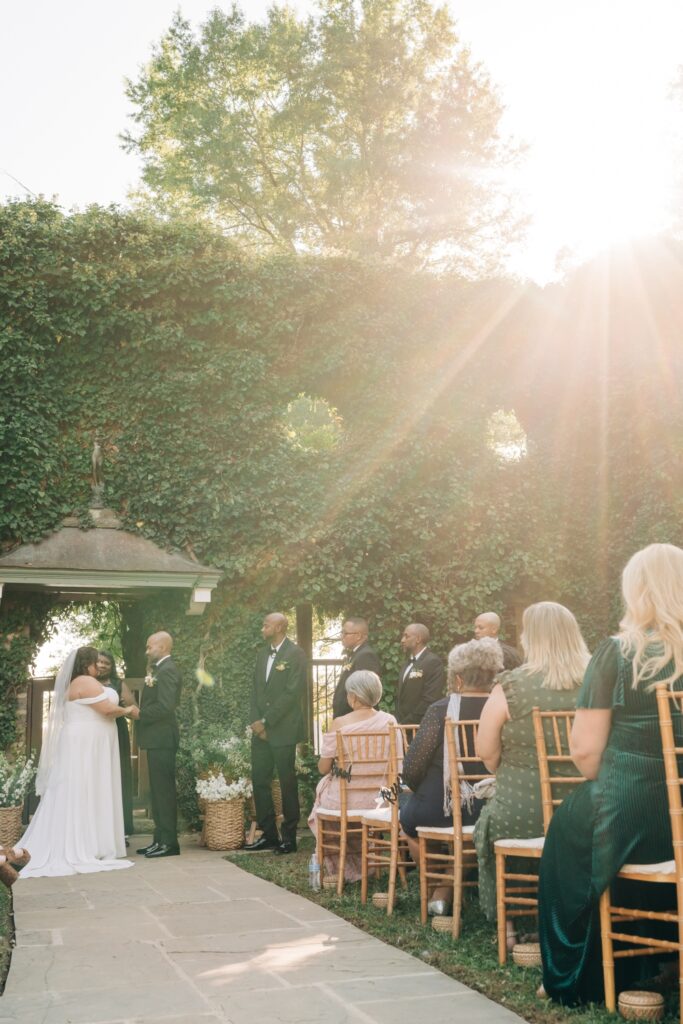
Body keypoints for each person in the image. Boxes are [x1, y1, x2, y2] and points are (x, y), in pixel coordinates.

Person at [539, 544, 683, 1006]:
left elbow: (583, 752)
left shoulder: (619, 653)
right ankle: (661, 960)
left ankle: (584, 976)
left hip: (633, 810)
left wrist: (627, 780)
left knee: (566, 838)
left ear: (636, 591)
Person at [474, 602, 590, 936]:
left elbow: (487, 753)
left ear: (531, 639)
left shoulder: (510, 686)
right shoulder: (597, 680)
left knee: (493, 820)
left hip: (522, 813)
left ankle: (508, 924)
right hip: (585, 812)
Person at [399, 637, 503, 914]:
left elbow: (412, 767)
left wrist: (421, 789)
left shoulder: (440, 709)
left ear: (457, 678)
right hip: (493, 803)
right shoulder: (505, 708)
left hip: (438, 805)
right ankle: (446, 888)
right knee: (474, 830)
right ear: (493, 675)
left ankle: (438, 888)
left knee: (408, 823)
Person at [18, 646, 137, 878]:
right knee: (84, 790)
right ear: (88, 663)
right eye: (96, 661)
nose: (98, 665)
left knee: (85, 790)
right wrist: (128, 709)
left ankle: (92, 841)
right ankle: (85, 844)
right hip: (86, 746)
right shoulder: (85, 681)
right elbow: (105, 709)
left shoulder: (81, 681)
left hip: (87, 743)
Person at [309, 670, 399, 882]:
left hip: (344, 800)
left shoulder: (340, 723)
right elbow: (399, 766)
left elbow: (323, 768)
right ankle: (366, 864)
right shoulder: (390, 721)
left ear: (354, 697)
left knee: (323, 788)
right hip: (382, 800)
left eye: (348, 693)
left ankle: (343, 866)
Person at [245, 613, 307, 855]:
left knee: (286, 781)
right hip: (260, 730)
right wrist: (255, 721)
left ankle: (289, 838)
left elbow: (292, 694)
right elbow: (255, 690)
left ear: (280, 627)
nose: (263, 628)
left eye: (266, 624)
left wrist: (267, 721)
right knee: (260, 780)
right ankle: (269, 835)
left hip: (283, 728)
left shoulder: (296, 654)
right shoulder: (262, 654)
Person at [132, 631, 182, 859]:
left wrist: (140, 713)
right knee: (157, 793)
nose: (147, 651)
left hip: (163, 740)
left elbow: (166, 706)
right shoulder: (159, 670)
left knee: (164, 793)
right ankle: (159, 839)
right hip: (156, 740)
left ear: (162, 647)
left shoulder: (168, 670)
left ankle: (170, 843)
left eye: (149, 646)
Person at [97, 650, 136, 838]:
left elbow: (132, 708)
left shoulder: (119, 684)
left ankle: (123, 830)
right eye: (99, 662)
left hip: (117, 733)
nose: (103, 665)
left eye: (107, 663)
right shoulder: (87, 683)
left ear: (112, 667)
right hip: (95, 734)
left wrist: (122, 707)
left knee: (119, 776)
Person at [395, 623, 445, 724]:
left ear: (418, 639)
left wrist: (407, 723)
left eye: (406, 636)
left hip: (420, 726)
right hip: (403, 726)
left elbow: (430, 699)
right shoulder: (406, 664)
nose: (402, 640)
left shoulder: (433, 662)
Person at [332, 618, 382, 718]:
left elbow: (365, 693)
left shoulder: (366, 655)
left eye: (345, 633)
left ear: (358, 636)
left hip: (355, 719)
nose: (342, 636)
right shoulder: (356, 654)